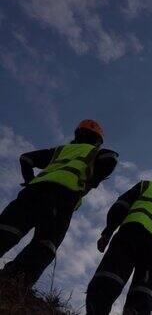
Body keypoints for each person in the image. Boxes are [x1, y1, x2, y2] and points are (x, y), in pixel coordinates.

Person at [0, 119, 118, 286]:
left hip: (32, 192)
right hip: (62, 197)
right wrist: (92, 181)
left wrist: (29, 181)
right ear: (97, 140)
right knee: (46, 243)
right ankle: (15, 280)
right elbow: (111, 158)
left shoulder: (60, 151)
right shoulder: (94, 152)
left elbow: (26, 159)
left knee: (7, 228)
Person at [86, 162, 152, 315]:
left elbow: (120, 206)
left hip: (129, 237)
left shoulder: (146, 186)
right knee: (143, 295)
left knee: (107, 281)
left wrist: (107, 232)